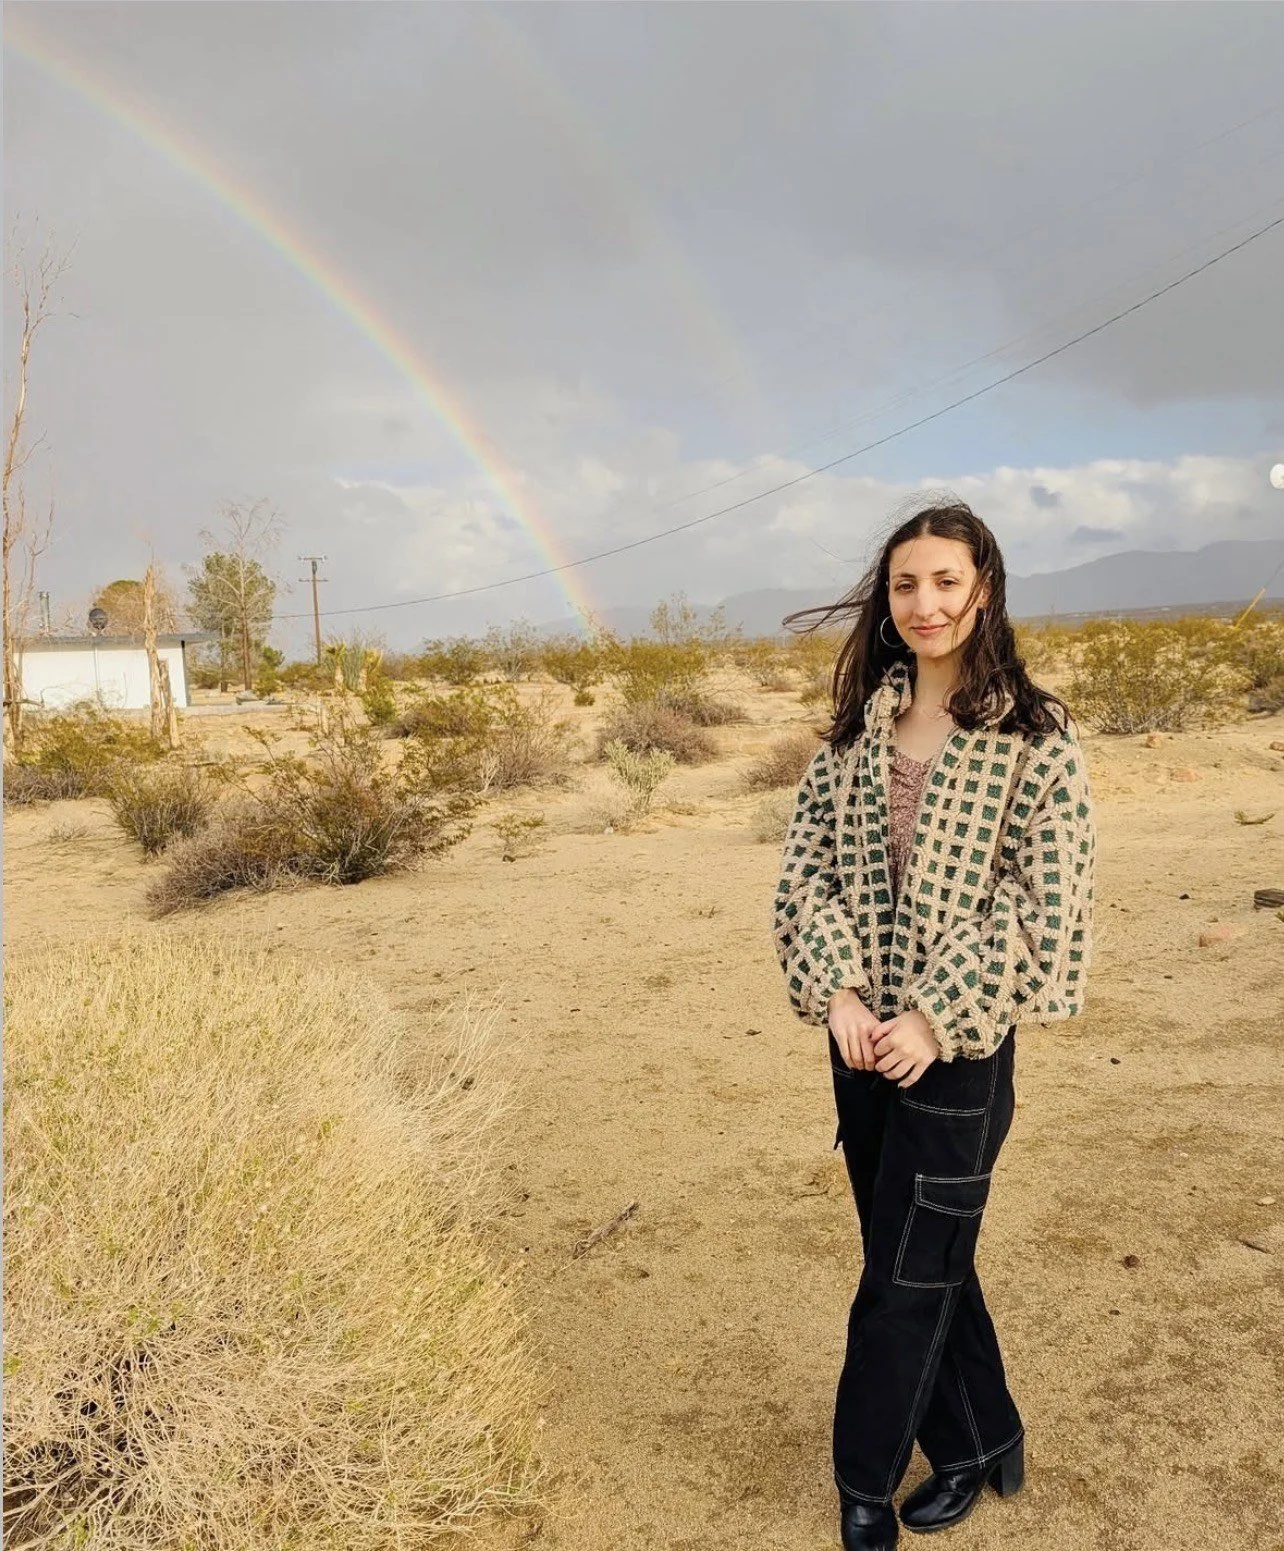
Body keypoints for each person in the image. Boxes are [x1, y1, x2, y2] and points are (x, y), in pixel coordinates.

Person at [771, 498, 1096, 1549]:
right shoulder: (857, 734)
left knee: (907, 1272)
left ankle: (862, 1481)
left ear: (985, 588)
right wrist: (843, 998)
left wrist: (935, 1018)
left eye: (946, 581)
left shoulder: (1036, 740)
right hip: (858, 1043)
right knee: (921, 1250)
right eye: (906, 583)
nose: (925, 603)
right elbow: (805, 876)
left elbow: (1042, 906)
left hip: (957, 1054)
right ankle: (983, 1436)